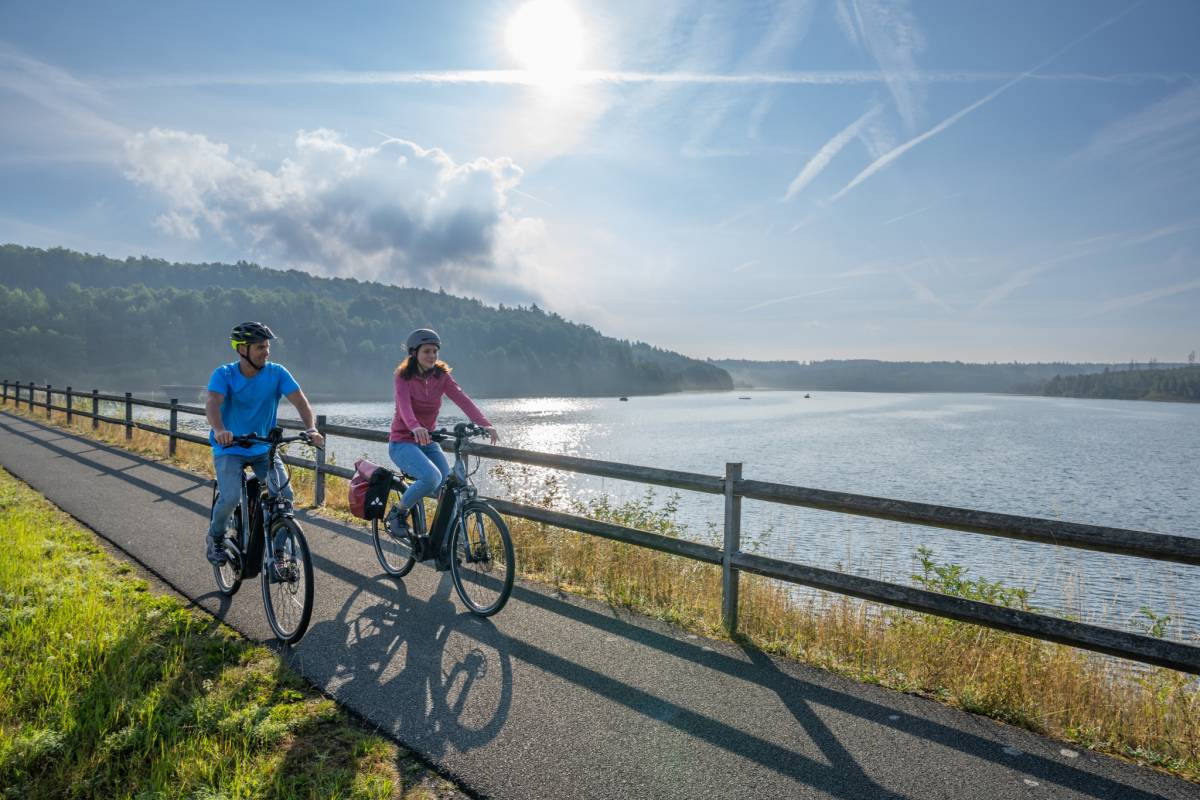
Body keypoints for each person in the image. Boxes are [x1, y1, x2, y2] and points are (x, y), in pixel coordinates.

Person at [205, 321, 325, 564]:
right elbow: (213, 403)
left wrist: (310, 428)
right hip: (230, 447)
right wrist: (220, 430)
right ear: (242, 349)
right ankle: (215, 537)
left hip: (263, 448)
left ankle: (278, 553)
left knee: (284, 495)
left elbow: (300, 401)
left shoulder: (277, 373)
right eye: (260, 347)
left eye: (267, 346)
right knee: (229, 498)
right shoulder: (224, 374)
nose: (266, 351)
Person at [386, 328, 497, 537]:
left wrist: (484, 424)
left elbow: (462, 399)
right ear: (414, 353)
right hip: (402, 442)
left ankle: (447, 542)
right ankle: (397, 513)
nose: (432, 356)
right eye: (427, 351)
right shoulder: (403, 377)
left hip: (428, 442)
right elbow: (403, 406)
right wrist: (414, 426)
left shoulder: (441, 376)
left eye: (435, 351)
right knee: (431, 477)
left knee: (449, 491)